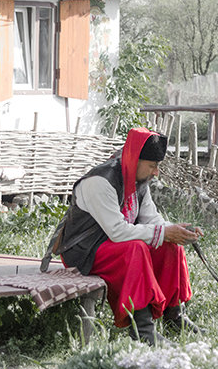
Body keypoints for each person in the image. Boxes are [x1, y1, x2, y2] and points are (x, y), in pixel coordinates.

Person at [55, 127, 203, 345]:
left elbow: (152, 221)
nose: (156, 173)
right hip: (83, 251)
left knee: (171, 245)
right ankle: (142, 330)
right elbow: (117, 231)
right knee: (136, 248)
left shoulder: (139, 182)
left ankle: (174, 316)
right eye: (152, 166)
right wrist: (163, 232)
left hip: (112, 245)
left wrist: (178, 232)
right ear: (135, 160)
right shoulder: (100, 181)